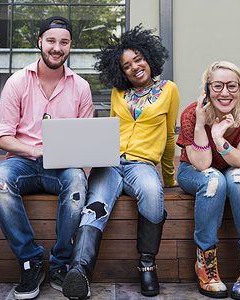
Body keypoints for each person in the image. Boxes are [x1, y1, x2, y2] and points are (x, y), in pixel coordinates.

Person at [61, 25, 179, 300]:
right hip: (110, 162)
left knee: (152, 191)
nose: (135, 67)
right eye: (127, 65)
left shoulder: (168, 90)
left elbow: (170, 136)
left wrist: (170, 177)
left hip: (142, 165)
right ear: (121, 71)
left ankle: (147, 264)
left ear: (149, 58)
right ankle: (79, 271)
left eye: (138, 59)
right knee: (94, 205)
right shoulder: (118, 93)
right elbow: (112, 130)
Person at [0, 16, 93, 300]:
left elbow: (86, 141)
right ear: (40, 42)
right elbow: (1, 138)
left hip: (61, 167)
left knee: (76, 181)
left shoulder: (81, 87)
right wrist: (35, 150)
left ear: (70, 46)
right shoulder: (17, 82)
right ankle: (30, 262)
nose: (57, 48)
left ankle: (60, 263)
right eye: (51, 41)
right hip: (23, 161)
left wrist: (81, 160)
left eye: (63, 42)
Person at [176, 61, 240, 299]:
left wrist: (219, 138)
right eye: (217, 86)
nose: (225, 92)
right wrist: (202, 125)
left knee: (236, 178)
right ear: (207, 88)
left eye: (231, 86)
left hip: (236, 166)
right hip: (193, 171)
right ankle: (205, 262)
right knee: (213, 180)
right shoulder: (191, 113)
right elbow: (202, 164)